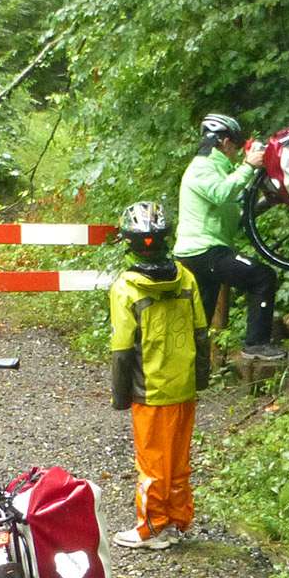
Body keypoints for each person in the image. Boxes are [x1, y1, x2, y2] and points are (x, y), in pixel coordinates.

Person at [109, 201, 209, 551]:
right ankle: (179, 520)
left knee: (152, 463)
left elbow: (122, 349)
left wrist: (121, 396)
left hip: (150, 390)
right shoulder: (187, 279)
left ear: (129, 242)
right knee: (178, 459)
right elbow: (201, 333)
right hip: (183, 386)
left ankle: (151, 528)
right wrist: (200, 379)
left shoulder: (126, 287)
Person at [173, 112, 284, 360]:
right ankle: (256, 344)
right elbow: (222, 193)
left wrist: (267, 202)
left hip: (203, 252)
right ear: (223, 142)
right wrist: (248, 166)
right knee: (262, 277)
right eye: (234, 144)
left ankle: (187, 369)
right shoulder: (202, 167)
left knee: (200, 317)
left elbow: (236, 213)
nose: (235, 150)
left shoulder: (218, 169)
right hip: (205, 252)